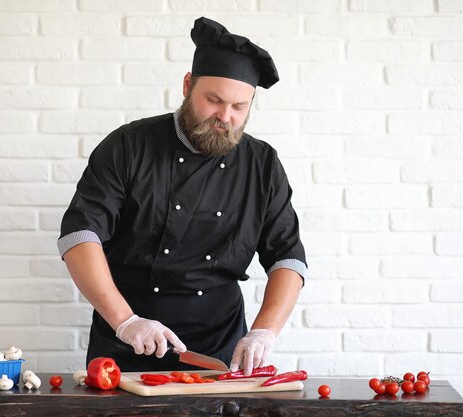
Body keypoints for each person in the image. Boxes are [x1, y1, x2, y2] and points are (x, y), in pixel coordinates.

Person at [58, 16, 307, 376]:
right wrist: (126, 321)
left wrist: (264, 332)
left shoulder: (262, 163)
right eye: (214, 100)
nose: (225, 116)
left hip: (220, 349)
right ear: (188, 85)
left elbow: (288, 257)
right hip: (127, 344)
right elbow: (80, 235)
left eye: (240, 107)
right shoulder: (128, 147)